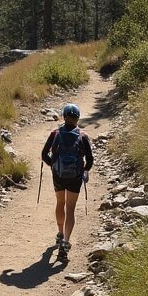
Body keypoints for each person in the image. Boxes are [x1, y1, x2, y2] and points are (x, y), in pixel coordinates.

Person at [41, 103, 93, 262]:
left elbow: (44, 154)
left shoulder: (55, 133)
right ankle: (65, 243)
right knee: (70, 209)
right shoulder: (83, 136)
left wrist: (54, 166)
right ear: (77, 118)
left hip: (58, 175)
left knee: (60, 203)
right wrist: (84, 170)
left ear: (64, 117)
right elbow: (90, 160)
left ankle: (59, 233)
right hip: (75, 177)